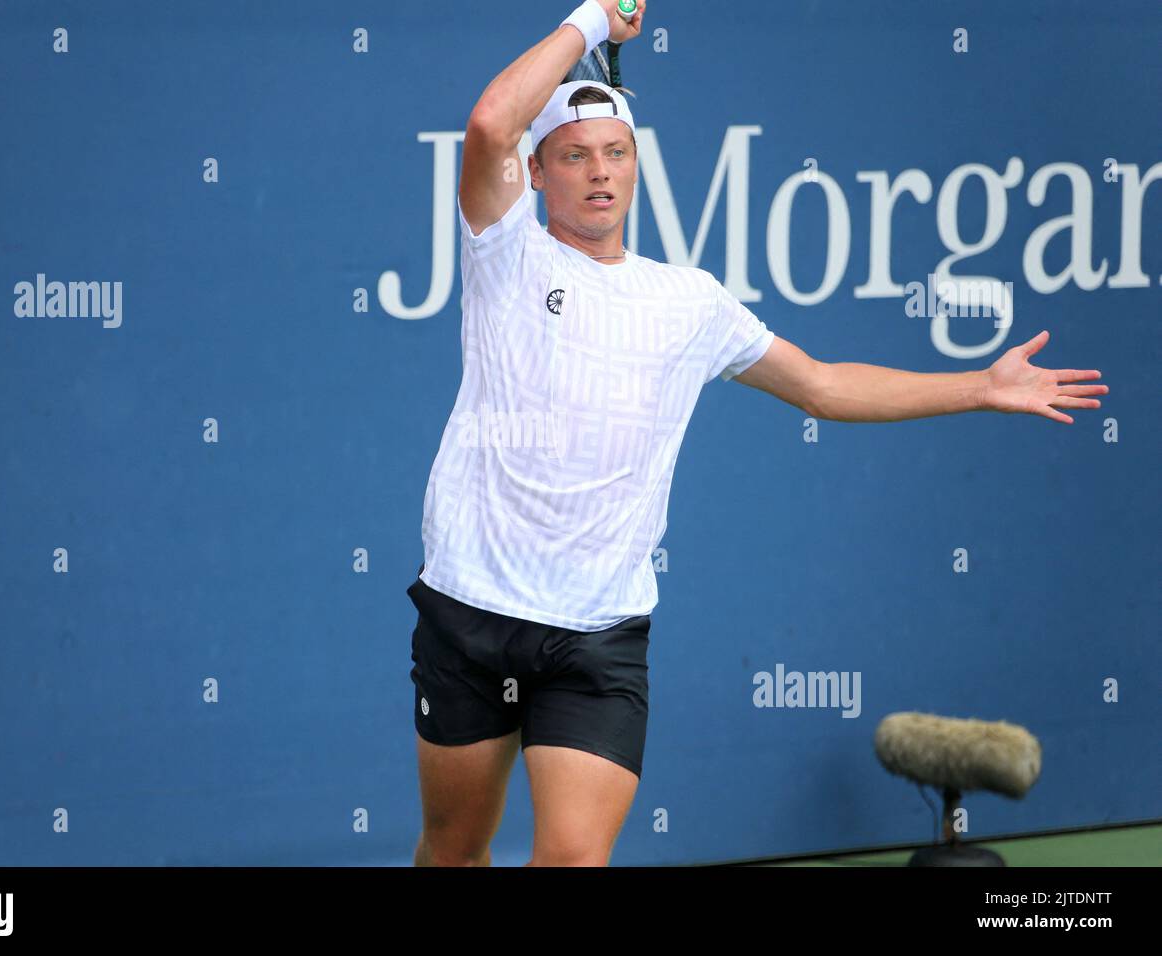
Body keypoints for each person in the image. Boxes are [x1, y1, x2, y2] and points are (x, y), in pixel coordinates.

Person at [408, 0, 1107, 867]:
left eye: (617, 154)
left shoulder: (689, 302)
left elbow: (820, 385)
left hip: (598, 633)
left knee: (576, 861)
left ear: (637, 167)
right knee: (452, 850)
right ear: (538, 174)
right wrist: (589, 21)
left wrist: (978, 386)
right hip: (471, 608)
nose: (600, 172)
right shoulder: (505, 253)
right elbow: (487, 124)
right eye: (575, 156)